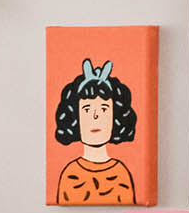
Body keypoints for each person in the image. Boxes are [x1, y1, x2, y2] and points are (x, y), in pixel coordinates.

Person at [53, 58, 139, 205]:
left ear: (115, 116)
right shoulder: (70, 175)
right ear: (75, 117)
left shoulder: (121, 174)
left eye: (104, 109)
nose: (95, 117)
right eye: (87, 109)